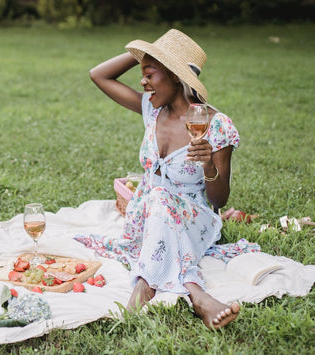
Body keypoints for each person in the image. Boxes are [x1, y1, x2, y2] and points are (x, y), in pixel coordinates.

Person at [89, 29, 240, 329]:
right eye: (142, 74)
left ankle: (145, 284)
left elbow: (219, 200)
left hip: (193, 217)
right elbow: (99, 75)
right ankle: (196, 294)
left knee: (161, 199)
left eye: (150, 74)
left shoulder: (216, 125)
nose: (143, 82)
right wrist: (145, 57)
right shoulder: (151, 110)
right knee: (157, 198)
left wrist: (208, 163)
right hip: (146, 216)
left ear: (174, 76)